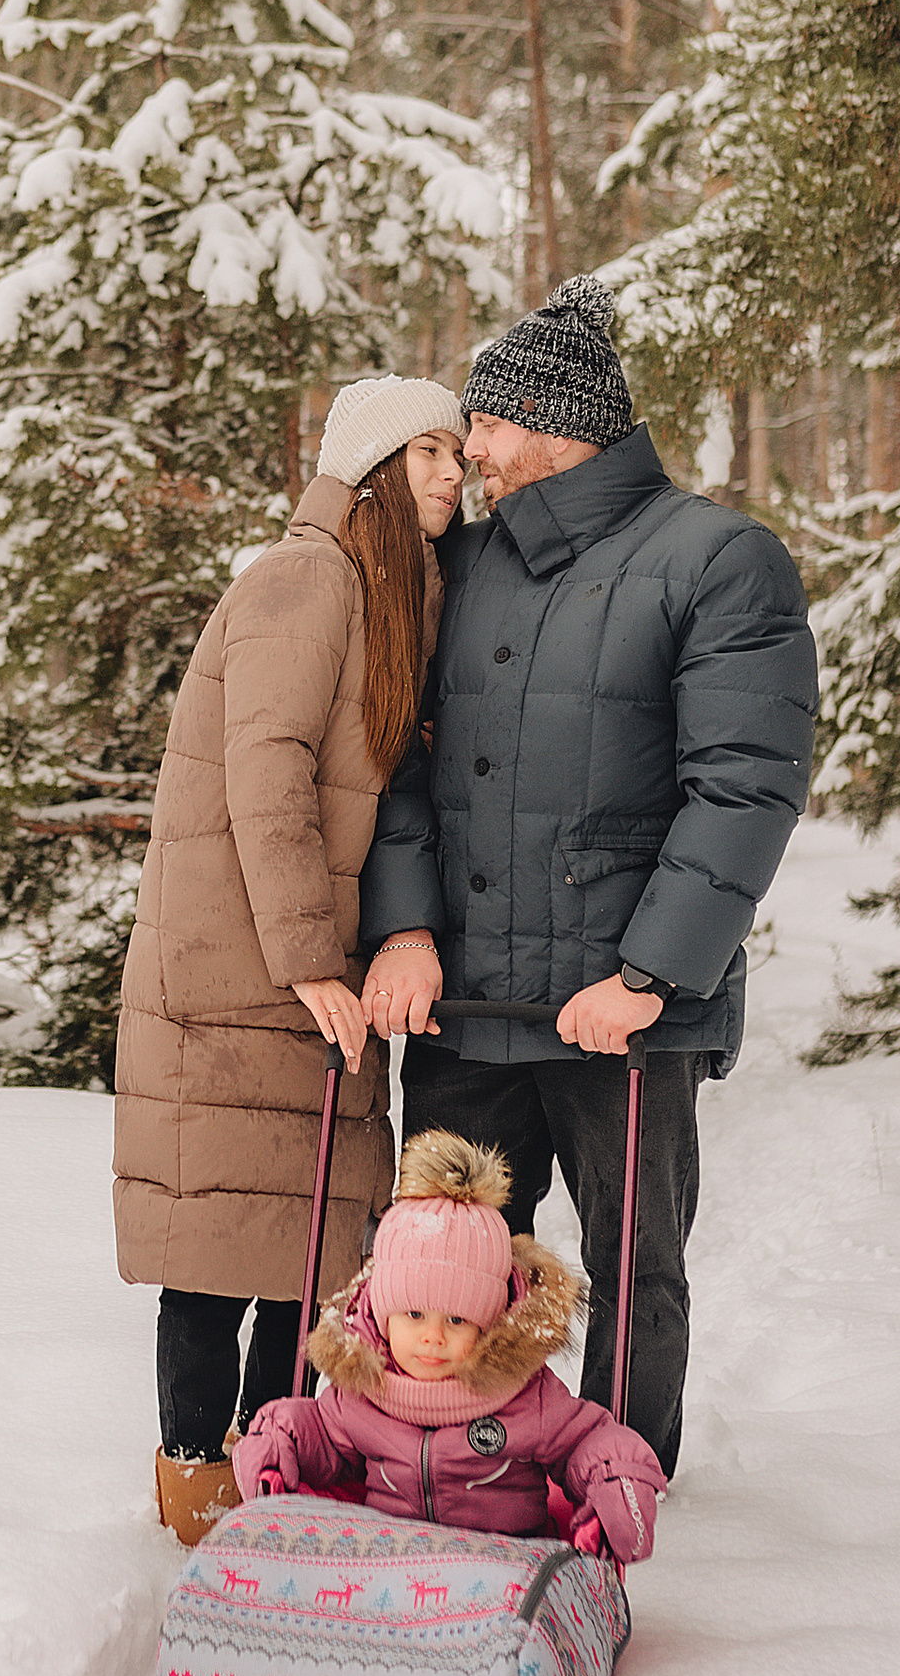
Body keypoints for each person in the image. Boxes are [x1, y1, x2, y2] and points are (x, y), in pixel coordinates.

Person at [360, 276, 817, 1479]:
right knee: (442, 1269)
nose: (470, 450)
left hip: (619, 1013)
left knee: (632, 1272)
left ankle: (607, 1497)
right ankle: (453, 1478)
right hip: (470, 1008)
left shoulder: (718, 560)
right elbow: (396, 766)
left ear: (554, 426)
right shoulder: (457, 566)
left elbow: (744, 788)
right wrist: (404, 931)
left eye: (487, 425)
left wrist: (649, 972)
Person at [116, 376, 469, 1545]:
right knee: (217, 1243)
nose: (448, 475)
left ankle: (272, 1470)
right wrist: (314, 958)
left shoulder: (383, 596)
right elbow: (263, 777)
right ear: (371, 464)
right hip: (243, 980)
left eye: (457, 457)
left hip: (305, 982)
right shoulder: (302, 580)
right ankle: (191, 1480)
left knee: (301, 1246)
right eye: (425, 452)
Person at [233, 1131, 664, 1561]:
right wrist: (277, 1442)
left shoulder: (523, 1396)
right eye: (414, 1315)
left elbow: (588, 1439)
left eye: (457, 1320)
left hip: (505, 1573)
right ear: (382, 1316)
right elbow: (318, 1435)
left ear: (491, 1324)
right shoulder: (365, 1394)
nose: (433, 1337)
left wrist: (615, 1480)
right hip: (389, 1569)